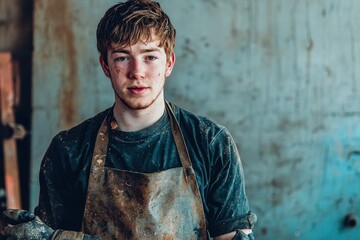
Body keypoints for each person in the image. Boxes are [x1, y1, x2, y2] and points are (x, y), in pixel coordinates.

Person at [0, 0, 257, 239]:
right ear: (105, 65)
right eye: (122, 57)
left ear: (169, 63)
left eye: (150, 57)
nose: (137, 72)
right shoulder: (69, 150)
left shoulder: (210, 143)